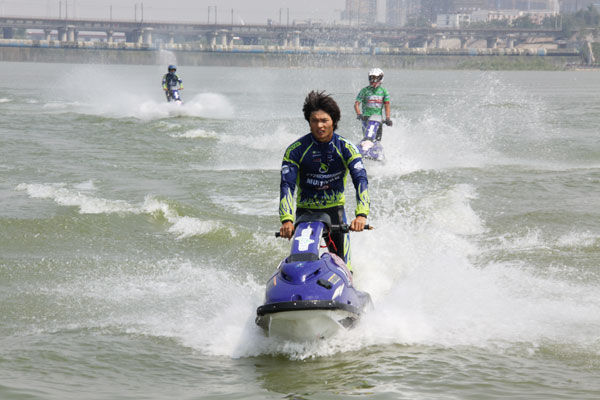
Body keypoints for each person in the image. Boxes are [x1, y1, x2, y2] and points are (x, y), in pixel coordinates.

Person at [279, 90, 370, 271]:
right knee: (300, 263)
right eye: (314, 120)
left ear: (333, 122)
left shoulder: (346, 148)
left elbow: (360, 179)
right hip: (305, 212)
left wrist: (361, 215)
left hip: (334, 212)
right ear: (309, 122)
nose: (319, 125)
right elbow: (287, 186)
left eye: (324, 120)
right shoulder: (296, 150)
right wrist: (286, 220)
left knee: (344, 266)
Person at [354, 68, 392, 141]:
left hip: (378, 119)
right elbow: (356, 104)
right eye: (371, 79)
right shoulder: (364, 91)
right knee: (367, 137)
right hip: (366, 119)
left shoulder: (384, 92)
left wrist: (387, 118)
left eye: (375, 79)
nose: (373, 81)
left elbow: (387, 106)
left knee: (377, 139)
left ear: (380, 79)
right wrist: (359, 114)